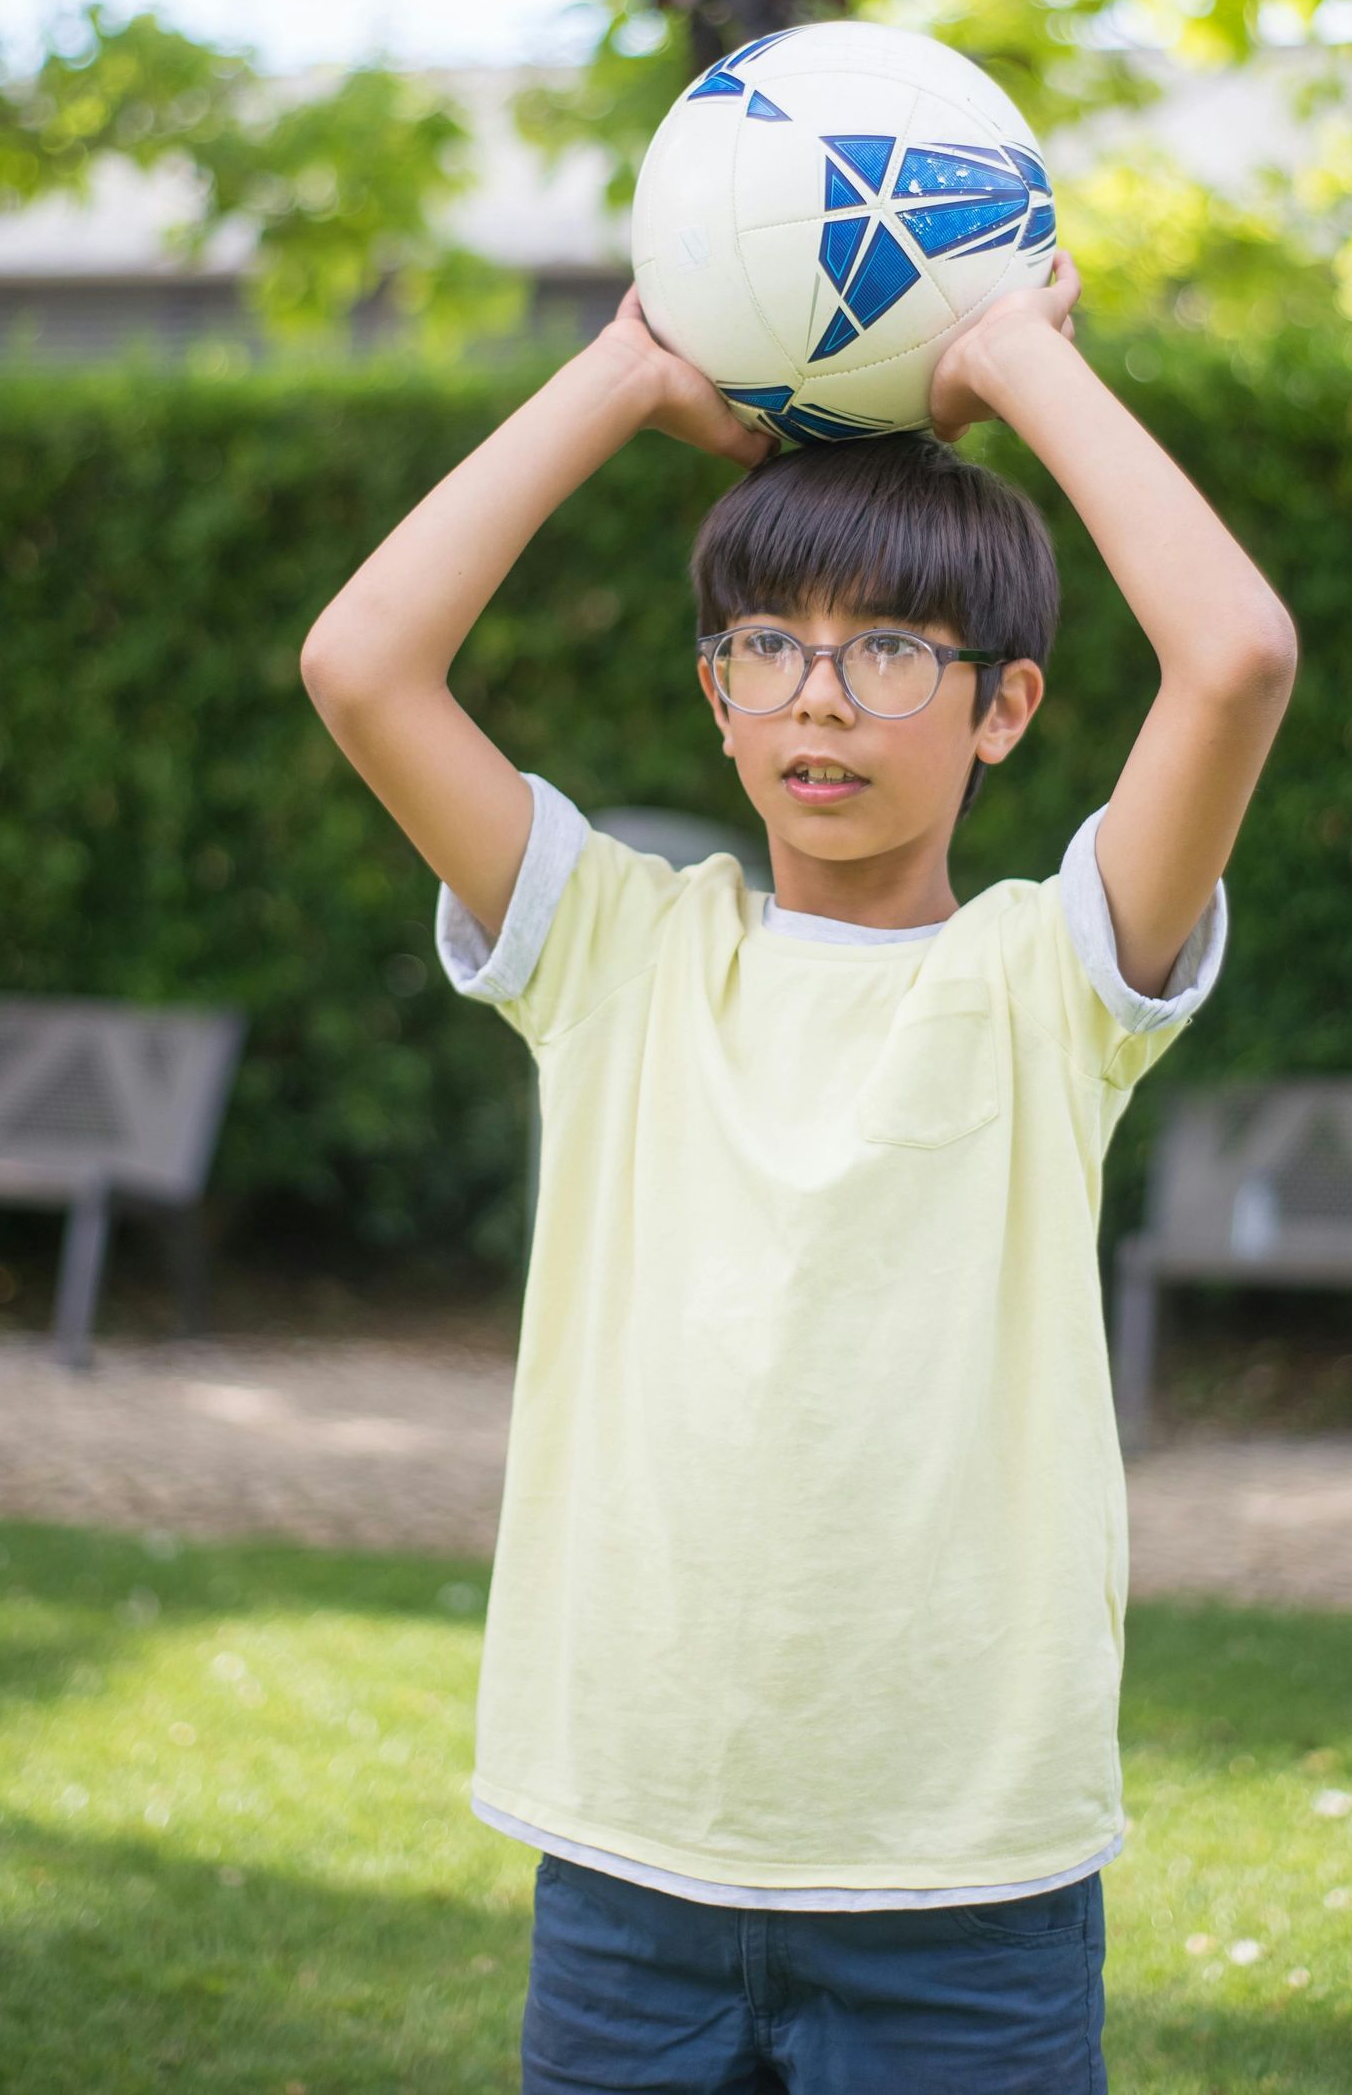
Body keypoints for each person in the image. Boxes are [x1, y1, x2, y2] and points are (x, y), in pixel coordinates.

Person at [299, 241, 1297, 2093]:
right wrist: (618, 380)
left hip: (964, 1883)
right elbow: (361, 661)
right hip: (629, 1858)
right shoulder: (612, 948)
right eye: (772, 647)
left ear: (1003, 708)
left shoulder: (1052, 978)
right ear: (717, 693)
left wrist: (1018, 363)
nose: (819, 698)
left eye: (891, 652)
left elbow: (1232, 656)